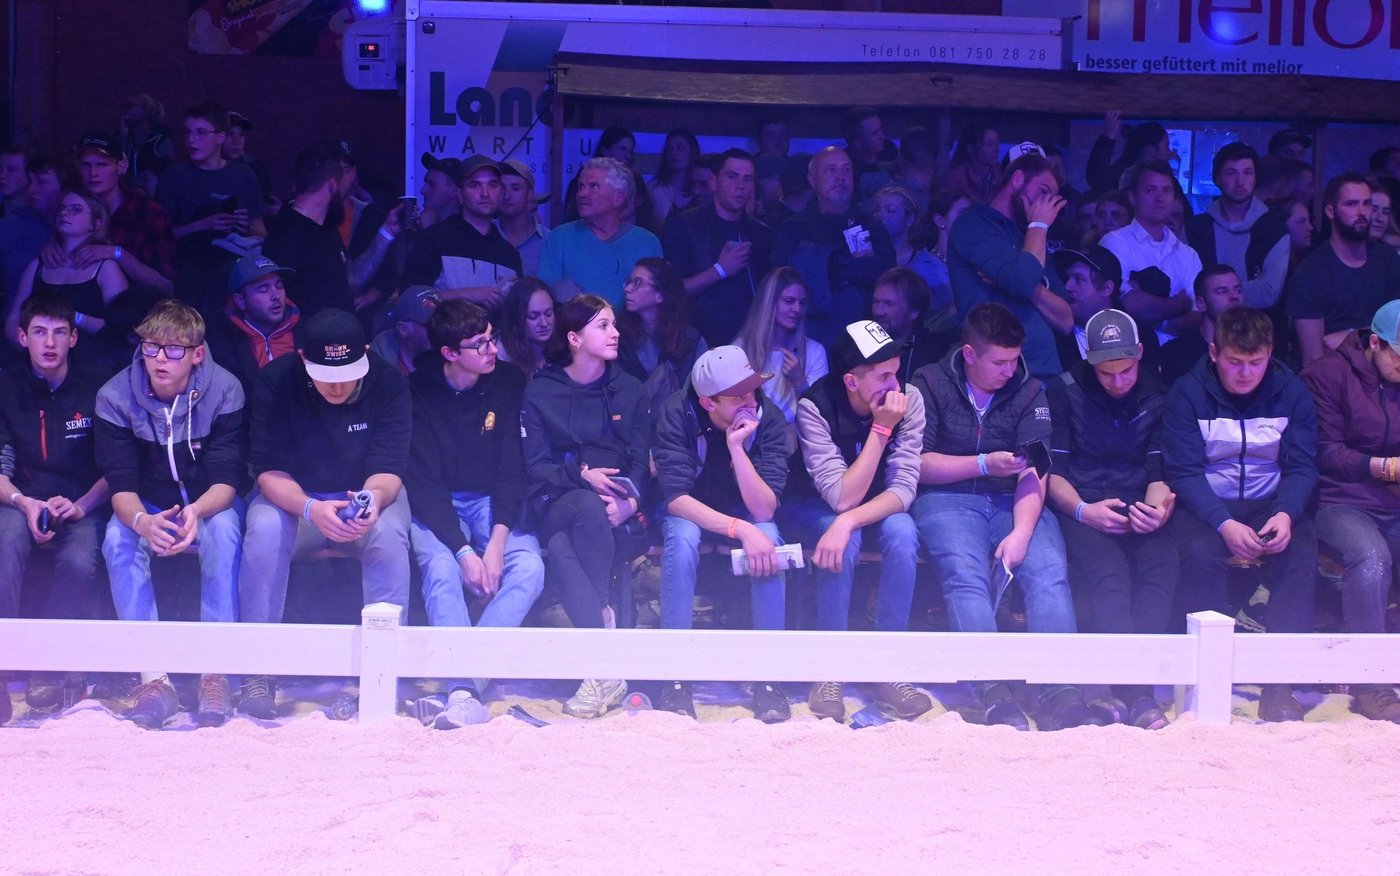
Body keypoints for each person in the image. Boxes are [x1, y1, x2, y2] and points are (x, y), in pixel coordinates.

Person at [911, 303, 1094, 731]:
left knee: (1048, 572)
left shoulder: (1029, 390)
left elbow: (1036, 469)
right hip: (947, 498)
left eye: (1014, 360)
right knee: (966, 577)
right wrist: (982, 464)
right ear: (969, 354)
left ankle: (1060, 691)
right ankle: (993, 690)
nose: (1009, 370)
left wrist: (1022, 533)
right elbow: (917, 464)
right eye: (999, 362)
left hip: (1015, 499)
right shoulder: (930, 382)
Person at [238, 309, 412, 719]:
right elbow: (267, 470)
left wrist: (372, 498)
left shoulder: (388, 383)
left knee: (389, 534)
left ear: (365, 353)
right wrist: (309, 508)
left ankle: (386, 671)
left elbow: (390, 468)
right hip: (295, 500)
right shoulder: (275, 383)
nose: (336, 386)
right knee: (263, 528)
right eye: (326, 376)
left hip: (363, 497)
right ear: (303, 358)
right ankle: (257, 670)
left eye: (346, 375)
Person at [1161, 306, 1319, 721]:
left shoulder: (1292, 391)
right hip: (1207, 505)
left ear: (1270, 354)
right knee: (1200, 555)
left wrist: (1286, 514)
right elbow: (1183, 472)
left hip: (1271, 502)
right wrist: (1223, 522)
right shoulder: (1186, 392)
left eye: (1256, 362)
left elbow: (1303, 466)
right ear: (1214, 352)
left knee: (1300, 555)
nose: (1246, 373)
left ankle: (1279, 685)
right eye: (1235, 362)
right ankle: (1206, 679)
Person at [95, 300, 247, 729]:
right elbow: (121, 485)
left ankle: (216, 673)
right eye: (151, 347)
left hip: (209, 501)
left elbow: (228, 478)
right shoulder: (113, 396)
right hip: (147, 504)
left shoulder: (225, 388)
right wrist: (143, 522)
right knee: (117, 538)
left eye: (174, 349)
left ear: (197, 354)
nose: (160, 359)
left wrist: (196, 511)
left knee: (225, 531)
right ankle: (153, 679)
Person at [782, 319, 931, 722]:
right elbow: (841, 497)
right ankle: (829, 670)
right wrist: (881, 429)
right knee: (843, 540)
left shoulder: (910, 399)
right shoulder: (815, 406)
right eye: (883, 376)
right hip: (811, 505)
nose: (895, 385)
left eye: (896, 372)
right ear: (851, 380)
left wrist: (847, 522)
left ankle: (888, 667)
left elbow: (904, 489)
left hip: (876, 506)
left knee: (903, 532)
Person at [406, 299, 543, 729]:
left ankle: (462, 688)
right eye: (479, 344)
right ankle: (464, 690)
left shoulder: (508, 381)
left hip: (491, 499)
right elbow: (422, 481)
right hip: (437, 502)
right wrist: (464, 551)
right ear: (449, 353)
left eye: (491, 338)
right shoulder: (416, 390)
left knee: (529, 567)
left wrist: (496, 544)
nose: (492, 349)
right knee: (442, 570)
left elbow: (511, 467)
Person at [1045, 308, 1177, 730]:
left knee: (1161, 564)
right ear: (1089, 359)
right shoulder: (1064, 392)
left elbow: (1159, 472)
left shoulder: (1157, 395)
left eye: (1126, 371)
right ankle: (1128, 690)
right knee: (1110, 574)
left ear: (1140, 353)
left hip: (1137, 503)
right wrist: (1084, 511)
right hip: (1079, 504)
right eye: (1107, 374)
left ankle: (1139, 686)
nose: (1118, 382)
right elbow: (1052, 473)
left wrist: (1155, 512)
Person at [521, 294, 650, 717]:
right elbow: (535, 466)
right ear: (575, 339)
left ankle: (600, 675)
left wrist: (631, 503)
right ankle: (604, 622)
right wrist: (582, 475)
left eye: (614, 324)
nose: (615, 333)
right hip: (555, 501)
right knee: (582, 506)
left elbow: (642, 460)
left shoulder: (630, 389)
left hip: (617, 513)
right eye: (603, 326)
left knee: (563, 546)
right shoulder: (542, 391)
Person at [651, 346, 793, 722]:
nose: (750, 401)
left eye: (752, 389)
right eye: (737, 396)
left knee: (768, 535)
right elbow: (677, 499)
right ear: (707, 402)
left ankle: (768, 678)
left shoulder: (768, 416)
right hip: (690, 509)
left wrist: (738, 450)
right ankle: (675, 676)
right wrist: (738, 529)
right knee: (683, 539)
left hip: (744, 507)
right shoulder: (677, 413)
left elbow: (764, 509)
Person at [0, 294, 109, 711]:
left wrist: (82, 504)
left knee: (80, 559)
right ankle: (4, 665)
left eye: (59, 332)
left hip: (83, 503)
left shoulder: (98, 386)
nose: (49, 343)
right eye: (40, 332)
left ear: (73, 338)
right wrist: (23, 501)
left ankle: (49, 665)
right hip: (20, 500)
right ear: (22, 336)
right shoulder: (6, 387)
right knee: (5, 543)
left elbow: (118, 467)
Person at [1300, 299, 1400, 723]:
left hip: (1392, 499)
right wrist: (1382, 467)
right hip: (1338, 499)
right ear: (1375, 343)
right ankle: (1369, 681)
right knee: (1370, 556)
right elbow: (1324, 452)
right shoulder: (1327, 375)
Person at [947, 152, 1074, 379]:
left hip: (1048, 373)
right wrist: (1039, 225)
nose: (1045, 205)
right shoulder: (974, 223)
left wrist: (1029, 286)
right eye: (1043, 192)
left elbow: (1066, 320)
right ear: (1017, 179)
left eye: (1052, 199)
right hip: (1001, 373)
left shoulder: (1030, 238)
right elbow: (1022, 280)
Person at [263, 142, 403, 319]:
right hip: (310, 335)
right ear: (332, 184)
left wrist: (386, 233)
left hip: (341, 331)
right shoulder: (287, 235)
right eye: (342, 173)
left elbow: (348, 281)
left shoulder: (326, 229)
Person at [771, 147, 895, 345]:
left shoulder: (872, 226)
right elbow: (784, 283)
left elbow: (886, 275)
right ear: (812, 180)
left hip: (864, 335)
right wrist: (848, 266)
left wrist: (828, 266)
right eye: (831, 170)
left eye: (846, 170)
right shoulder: (793, 228)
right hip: (807, 336)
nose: (840, 177)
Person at [660, 148, 773, 347]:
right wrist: (720, 270)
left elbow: (769, 292)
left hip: (749, 340)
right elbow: (670, 291)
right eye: (732, 176)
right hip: (695, 341)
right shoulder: (684, 225)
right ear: (714, 182)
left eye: (747, 179)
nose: (740, 186)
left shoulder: (760, 233)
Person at [1287, 173, 1400, 365]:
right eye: (1351, 204)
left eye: (1367, 204)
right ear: (1330, 212)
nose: (1362, 212)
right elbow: (1313, 361)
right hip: (1336, 376)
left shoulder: (1388, 259)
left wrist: (1353, 334)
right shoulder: (1310, 273)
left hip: (1388, 371)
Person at [1099, 160, 1203, 344]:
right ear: (1133, 198)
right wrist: (1178, 303)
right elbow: (1127, 305)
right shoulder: (1115, 242)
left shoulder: (1189, 255)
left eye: (1167, 190)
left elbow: (1198, 315)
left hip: (1180, 353)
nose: (1159, 198)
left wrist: (1154, 315)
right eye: (1150, 190)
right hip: (1128, 352)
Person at [6, 191, 128, 347]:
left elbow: (119, 327)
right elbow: (13, 319)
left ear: (95, 224)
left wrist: (72, 317)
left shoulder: (106, 268)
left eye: (75, 209)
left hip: (91, 356)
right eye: (62, 209)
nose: (64, 213)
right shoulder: (37, 266)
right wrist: (25, 346)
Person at [537, 157, 662, 307]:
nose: (582, 193)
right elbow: (542, 297)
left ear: (618, 198)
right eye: (581, 186)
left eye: (594, 186)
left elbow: (657, 303)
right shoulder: (559, 238)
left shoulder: (647, 243)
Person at [403, 155, 521, 310]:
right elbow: (410, 300)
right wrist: (465, 294)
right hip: (441, 327)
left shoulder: (510, 254)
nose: (485, 193)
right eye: (475, 185)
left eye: (492, 185)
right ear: (460, 193)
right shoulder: (433, 240)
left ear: (501, 192)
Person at [1184, 143, 1289, 310]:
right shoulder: (1195, 229)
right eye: (1231, 173)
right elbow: (1185, 288)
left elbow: (1267, 293)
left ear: (1256, 178)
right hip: (1203, 324)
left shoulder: (1274, 230)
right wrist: (1246, 287)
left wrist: (1212, 292)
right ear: (1217, 179)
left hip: (1257, 323)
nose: (1240, 182)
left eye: (1247, 173)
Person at [72, 131, 175, 295]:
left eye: (102, 165)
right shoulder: (70, 209)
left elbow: (166, 285)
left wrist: (116, 253)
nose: (93, 173)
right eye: (86, 165)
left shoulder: (147, 212)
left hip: (135, 305)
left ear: (121, 166)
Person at [733, 266, 829, 429]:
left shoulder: (814, 351)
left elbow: (822, 414)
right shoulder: (741, 349)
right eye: (789, 301)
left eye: (802, 303)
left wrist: (800, 382)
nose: (797, 309)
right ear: (770, 303)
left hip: (798, 437)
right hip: (752, 434)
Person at [202, 254, 301, 394]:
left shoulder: (305, 331)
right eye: (263, 289)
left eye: (279, 286)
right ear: (240, 301)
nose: (276, 296)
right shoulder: (222, 343)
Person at [617, 257, 706, 408]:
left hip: (680, 418)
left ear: (660, 295)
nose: (627, 288)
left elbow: (704, 390)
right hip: (634, 418)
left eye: (637, 282)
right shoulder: (618, 337)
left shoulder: (690, 338)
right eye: (629, 282)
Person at [1158, 265, 1244, 385]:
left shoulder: (1258, 346)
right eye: (1222, 292)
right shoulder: (1176, 355)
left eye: (1238, 290)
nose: (1234, 296)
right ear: (1201, 304)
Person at [872, 186, 946, 313]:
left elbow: (948, 308)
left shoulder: (928, 266)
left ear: (909, 219)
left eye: (890, 210)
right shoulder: (865, 259)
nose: (880, 215)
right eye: (877, 210)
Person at [871, 266, 945, 383]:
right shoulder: (860, 344)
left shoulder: (932, 353)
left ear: (914, 311)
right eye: (876, 302)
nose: (878, 312)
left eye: (889, 304)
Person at [369, 286, 439, 376]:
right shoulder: (380, 361)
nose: (440, 329)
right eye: (430, 325)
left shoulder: (452, 352)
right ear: (403, 329)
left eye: (444, 321)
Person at [497, 159, 550, 276]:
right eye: (502, 188)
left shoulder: (549, 242)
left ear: (530, 194)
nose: (507, 196)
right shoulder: (484, 234)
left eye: (515, 188)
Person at [495, 277, 554, 377]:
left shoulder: (563, 349)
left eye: (548, 314)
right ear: (517, 318)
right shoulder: (500, 354)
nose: (544, 323)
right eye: (533, 316)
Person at [648, 129, 702, 223]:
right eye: (669, 148)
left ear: (692, 152)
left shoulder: (703, 186)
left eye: (680, 148)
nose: (674, 153)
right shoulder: (654, 188)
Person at [945, 122, 1001, 204]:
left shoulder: (1003, 176)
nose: (996, 150)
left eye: (997, 144)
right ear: (970, 148)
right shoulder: (956, 179)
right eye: (989, 145)